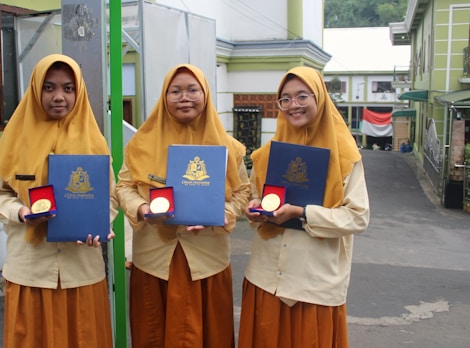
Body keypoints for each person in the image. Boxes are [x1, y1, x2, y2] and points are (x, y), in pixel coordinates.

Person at [0, 54, 117, 347]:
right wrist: (21, 212)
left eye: (68, 88)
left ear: (78, 92)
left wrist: (100, 224)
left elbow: (111, 197)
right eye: (49, 87)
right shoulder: (14, 138)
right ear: (35, 90)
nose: (59, 97)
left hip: (82, 269)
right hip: (30, 270)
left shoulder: (95, 142)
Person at [116, 64, 251, 347]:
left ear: (205, 94)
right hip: (154, 261)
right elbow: (124, 187)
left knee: (209, 336)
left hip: (207, 261)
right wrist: (142, 209)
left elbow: (242, 193)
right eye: (175, 91)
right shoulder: (141, 143)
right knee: (154, 334)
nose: (184, 97)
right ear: (164, 97)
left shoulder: (228, 147)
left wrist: (219, 214)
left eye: (192, 90)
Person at [238, 66, 370, 347]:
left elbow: (357, 218)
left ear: (319, 98)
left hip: (314, 287)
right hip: (266, 278)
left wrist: (302, 212)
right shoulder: (267, 155)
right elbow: (256, 200)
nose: (292, 105)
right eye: (284, 99)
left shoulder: (345, 157)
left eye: (301, 96)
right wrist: (254, 209)